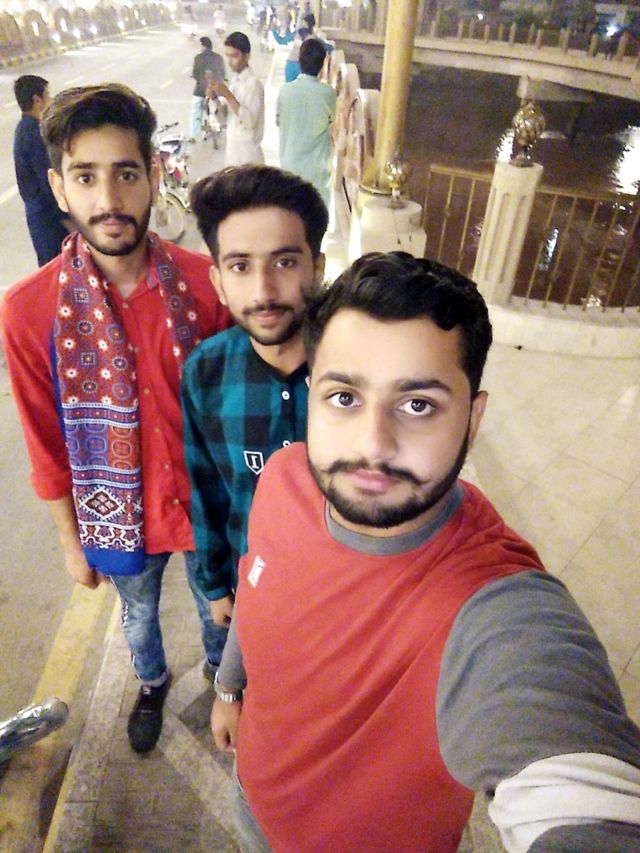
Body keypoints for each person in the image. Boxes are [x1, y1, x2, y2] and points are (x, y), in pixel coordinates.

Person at [212, 252, 640, 852]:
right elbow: (255, 586)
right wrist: (229, 689)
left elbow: (574, 776)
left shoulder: (492, 604)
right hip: (252, 803)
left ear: (473, 419)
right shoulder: (283, 479)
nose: (373, 445)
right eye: (344, 397)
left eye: (418, 405)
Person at [0, 84, 232, 756]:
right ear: (58, 188)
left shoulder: (207, 284)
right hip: (119, 517)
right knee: (138, 616)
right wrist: (71, 542)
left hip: (206, 507)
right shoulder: (29, 310)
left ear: (153, 176)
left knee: (218, 609)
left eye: (126, 174)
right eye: (85, 177)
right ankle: (152, 683)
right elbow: (45, 443)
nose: (108, 199)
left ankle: (223, 677)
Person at [182, 164, 328, 630]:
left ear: (317, 268)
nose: (264, 292)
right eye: (241, 266)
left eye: (284, 262)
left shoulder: (358, 371)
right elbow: (206, 488)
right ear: (219, 283)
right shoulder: (206, 371)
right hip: (252, 587)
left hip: (343, 595)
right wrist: (215, 584)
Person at [13, 75, 69, 267]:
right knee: (57, 269)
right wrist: (67, 219)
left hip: (41, 217)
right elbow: (48, 183)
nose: (51, 100)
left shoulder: (24, 128)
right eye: (48, 95)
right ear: (37, 100)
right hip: (49, 220)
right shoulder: (34, 134)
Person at [277, 38, 336, 208]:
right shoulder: (328, 93)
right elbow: (333, 121)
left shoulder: (285, 90)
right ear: (323, 64)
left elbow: (279, 121)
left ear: (299, 61)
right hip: (317, 172)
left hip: (290, 167)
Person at [207, 31, 265, 167]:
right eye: (228, 56)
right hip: (233, 156)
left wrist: (228, 95)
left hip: (249, 159)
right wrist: (215, 99)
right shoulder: (234, 83)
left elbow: (249, 121)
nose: (230, 61)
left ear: (247, 56)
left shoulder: (254, 84)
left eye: (234, 56)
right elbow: (224, 120)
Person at [190, 36, 225, 141]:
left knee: (196, 111)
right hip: (216, 91)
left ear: (203, 46)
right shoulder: (218, 58)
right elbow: (222, 74)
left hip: (200, 91)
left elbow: (195, 74)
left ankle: (194, 135)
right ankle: (220, 126)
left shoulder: (198, 58)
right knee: (221, 107)